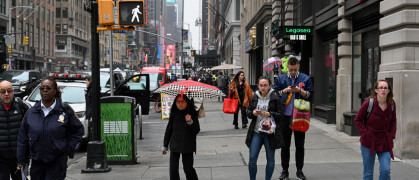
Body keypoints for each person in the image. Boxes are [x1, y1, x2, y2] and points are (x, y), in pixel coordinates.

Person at [17, 77, 84, 180]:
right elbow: (23, 138)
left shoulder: (64, 110)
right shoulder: (31, 112)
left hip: (57, 163)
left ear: (54, 91)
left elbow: (78, 130)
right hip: (37, 163)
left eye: (48, 88)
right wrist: (21, 160)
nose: (45, 91)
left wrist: (68, 148)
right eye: (42, 88)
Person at [273, 57, 313, 180]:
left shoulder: (305, 78)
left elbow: (310, 95)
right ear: (287, 67)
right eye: (291, 70)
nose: (293, 72)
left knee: (300, 145)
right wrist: (285, 91)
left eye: (295, 70)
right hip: (285, 116)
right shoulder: (281, 79)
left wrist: (300, 91)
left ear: (298, 66)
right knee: (285, 145)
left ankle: (299, 171)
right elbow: (274, 94)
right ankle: (284, 170)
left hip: (300, 115)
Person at [354, 80, 396, 180]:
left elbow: (394, 121)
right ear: (376, 90)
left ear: (389, 90)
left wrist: (391, 136)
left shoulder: (392, 104)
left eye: (385, 88)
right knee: (368, 174)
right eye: (381, 88)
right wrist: (366, 134)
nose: (383, 90)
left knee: (385, 170)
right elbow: (358, 120)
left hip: (385, 141)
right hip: (369, 142)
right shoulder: (369, 103)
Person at [246, 76, 283, 180]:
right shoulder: (254, 97)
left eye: (265, 85)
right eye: (261, 85)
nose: (263, 87)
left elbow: (281, 115)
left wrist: (269, 114)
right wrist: (252, 113)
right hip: (256, 132)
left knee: (270, 158)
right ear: (258, 86)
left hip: (269, 133)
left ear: (270, 86)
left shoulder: (275, 98)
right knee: (252, 158)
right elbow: (248, 113)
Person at [162, 93, 200, 180]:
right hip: (175, 143)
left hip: (187, 144)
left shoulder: (192, 113)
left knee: (188, 168)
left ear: (187, 102)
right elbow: (169, 129)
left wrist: (190, 121)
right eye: (178, 102)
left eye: (182, 101)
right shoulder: (174, 113)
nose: (180, 103)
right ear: (175, 103)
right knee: (173, 168)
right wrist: (165, 145)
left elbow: (196, 130)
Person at [0, 81, 30, 180]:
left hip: (19, 158)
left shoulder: (21, 105)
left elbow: (32, 123)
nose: (6, 94)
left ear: (13, 91)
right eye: (3, 92)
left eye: (9, 91)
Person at [85, 76, 93, 141]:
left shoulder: (92, 90)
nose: (85, 82)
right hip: (89, 115)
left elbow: (92, 104)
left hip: (91, 115)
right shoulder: (89, 90)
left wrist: (92, 116)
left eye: (86, 81)